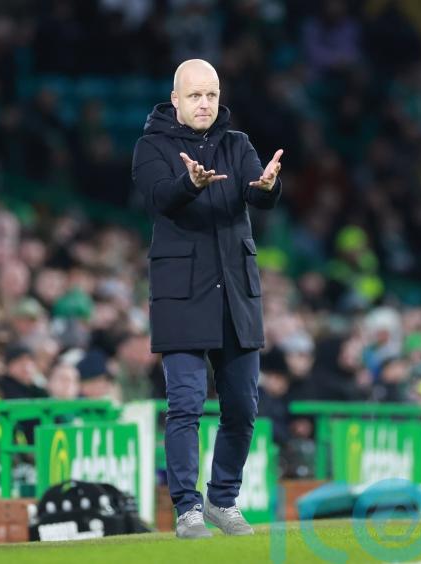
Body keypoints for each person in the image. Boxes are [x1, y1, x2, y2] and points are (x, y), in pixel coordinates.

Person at [132, 59, 283, 539]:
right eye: (195, 95)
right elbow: (158, 197)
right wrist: (189, 183)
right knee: (186, 405)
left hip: (236, 293)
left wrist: (267, 188)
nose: (204, 104)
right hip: (182, 295)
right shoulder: (151, 146)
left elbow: (256, 191)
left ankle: (223, 500)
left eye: (211, 95)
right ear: (175, 99)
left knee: (242, 406)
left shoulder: (238, 145)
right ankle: (186, 509)